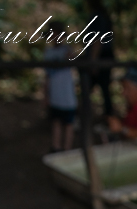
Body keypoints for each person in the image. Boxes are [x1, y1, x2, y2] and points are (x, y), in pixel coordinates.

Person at [44, 21, 78, 153]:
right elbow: (47, 76)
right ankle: (56, 147)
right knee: (56, 121)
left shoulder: (67, 50)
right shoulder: (48, 53)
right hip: (55, 94)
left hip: (67, 95)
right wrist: (46, 94)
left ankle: (67, 149)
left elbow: (75, 59)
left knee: (69, 123)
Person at [86, 0, 115, 119]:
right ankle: (108, 116)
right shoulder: (103, 16)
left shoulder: (97, 17)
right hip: (104, 55)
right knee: (103, 88)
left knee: (90, 87)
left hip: (100, 57)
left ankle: (106, 117)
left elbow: (97, 40)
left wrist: (93, 61)